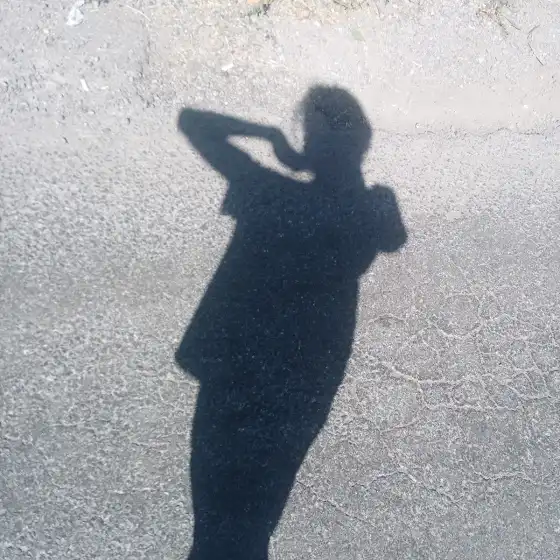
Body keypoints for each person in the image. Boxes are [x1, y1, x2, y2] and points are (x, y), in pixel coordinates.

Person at [175, 86, 407, 560]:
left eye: (319, 134)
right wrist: (284, 140)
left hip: (241, 378)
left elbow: (194, 123)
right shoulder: (368, 208)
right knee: (240, 533)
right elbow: (391, 235)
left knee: (223, 533)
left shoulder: (275, 194)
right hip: (296, 387)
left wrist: (268, 135)